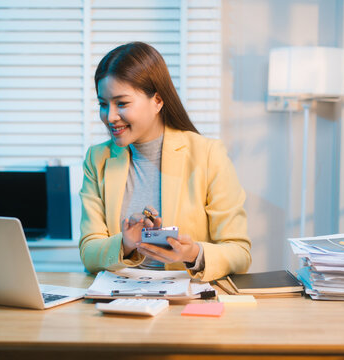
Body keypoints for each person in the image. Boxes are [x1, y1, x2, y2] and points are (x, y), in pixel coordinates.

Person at [79, 42, 251, 282]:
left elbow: (239, 252)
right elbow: (88, 252)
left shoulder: (208, 154)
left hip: (185, 304)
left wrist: (193, 254)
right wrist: (126, 243)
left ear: (157, 101)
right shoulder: (97, 159)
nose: (110, 117)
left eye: (122, 103)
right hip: (117, 301)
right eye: (103, 104)